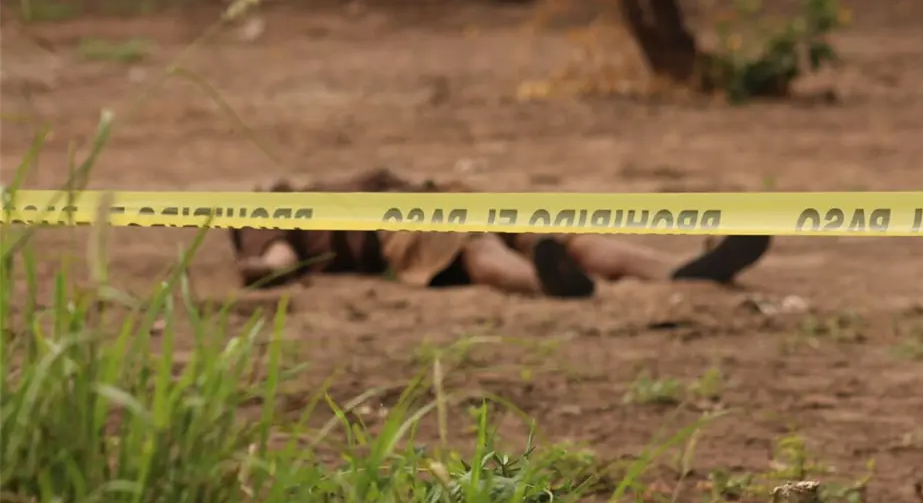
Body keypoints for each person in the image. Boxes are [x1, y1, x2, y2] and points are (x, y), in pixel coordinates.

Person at [228, 169, 771, 298]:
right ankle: (664, 273)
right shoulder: (261, 210)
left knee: (554, 237)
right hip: (413, 217)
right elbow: (272, 255)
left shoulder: (276, 200)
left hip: (434, 203)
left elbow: (274, 251)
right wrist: (268, 268)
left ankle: (678, 272)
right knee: (490, 245)